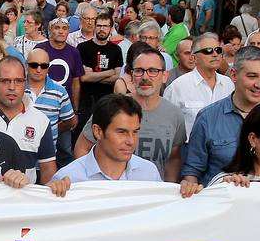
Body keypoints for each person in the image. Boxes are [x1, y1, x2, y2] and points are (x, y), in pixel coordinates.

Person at [77, 43, 186, 182]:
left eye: (153, 71)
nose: (145, 77)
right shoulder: (111, 107)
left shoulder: (174, 114)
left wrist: (169, 192)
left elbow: (173, 159)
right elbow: (82, 147)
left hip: (153, 195)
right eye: (139, 71)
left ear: (165, 76)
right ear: (131, 75)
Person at [178, 46, 260, 192]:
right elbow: (192, 171)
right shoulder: (208, 118)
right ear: (234, 75)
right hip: (220, 207)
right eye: (252, 76)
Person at [53, 94, 161, 186]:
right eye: (121, 132)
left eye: (135, 132)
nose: (131, 141)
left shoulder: (149, 173)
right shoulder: (68, 179)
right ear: (97, 131)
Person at [0, 56, 56, 183]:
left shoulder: (41, 120)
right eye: (5, 81)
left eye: (18, 81)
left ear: (25, 83)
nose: (12, 87)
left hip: (25, 200)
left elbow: (48, 170)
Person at [164, 32, 234, 135]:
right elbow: (167, 125)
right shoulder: (178, 87)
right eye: (208, 51)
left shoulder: (229, 84)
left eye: (218, 50)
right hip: (189, 148)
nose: (215, 54)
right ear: (194, 57)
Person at [35, 15, 84, 112]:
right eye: (57, 28)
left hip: (65, 105)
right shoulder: (40, 48)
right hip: (41, 104)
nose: (61, 31)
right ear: (50, 30)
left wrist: (75, 109)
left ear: (68, 32)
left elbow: (75, 83)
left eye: (64, 28)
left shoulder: (74, 52)